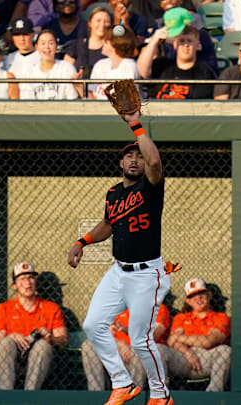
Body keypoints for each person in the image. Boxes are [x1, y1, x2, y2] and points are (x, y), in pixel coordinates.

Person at [66, 105, 174, 405]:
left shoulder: (150, 187)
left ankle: (161, 394)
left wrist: (135, 124)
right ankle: (122, 383)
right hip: (118, 271)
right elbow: (107, 224)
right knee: (93, 325)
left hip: (145, 274)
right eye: (130, 155)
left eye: (138, 155)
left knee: (140, 340)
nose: (136, 159)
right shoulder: (113, 193)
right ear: (121, 162)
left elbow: (154, 159)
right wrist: (82, 241)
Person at [0, 262, 68, 390]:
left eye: (31, 278)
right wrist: (12, 337)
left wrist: (50, 338)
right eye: (22, 279)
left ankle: (30, 396)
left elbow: (64, 339)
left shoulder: (51, 308)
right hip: (13, 359)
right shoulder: (4, 308)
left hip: (40, 360)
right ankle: (4, 396)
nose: (28, 283)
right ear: (14, 285)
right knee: (5, 343)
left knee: (42, 345)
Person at [157, 278, 231, 392]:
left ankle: (213, 393)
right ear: (188, 300)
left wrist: (180, 338)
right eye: (193, 295)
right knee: (158, 349)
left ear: (209, 295)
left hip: (207, 358)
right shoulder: (181, 318)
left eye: (201, 293)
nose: (198, 298)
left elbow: (209, 342)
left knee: (225, 350)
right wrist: (188, 352)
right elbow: (171, 341)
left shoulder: (221, 317)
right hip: (183, 357)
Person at [81, 304, 171, 390]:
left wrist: (128, 332)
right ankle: (96, 394)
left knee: (137, 350)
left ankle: (133, 395)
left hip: (142, 358)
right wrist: (120, 345)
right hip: (117, 352)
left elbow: (155, 334)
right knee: (88, 345)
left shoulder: (158, 308)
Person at [137, 24, 216, 99]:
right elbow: (142, 71)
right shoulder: (162, 65)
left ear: (198, 45)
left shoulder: (204, 72)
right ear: (175, 45)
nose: (186, 45)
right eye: (181, 41)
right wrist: (154, 41)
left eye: (189, 41)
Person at [152, 6, 218, 80]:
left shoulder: (201, 36)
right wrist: (153, 43)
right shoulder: (163, 37)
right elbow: (144, 71)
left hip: (199, 78)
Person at [21, 30, 81, 99]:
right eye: (43, 43)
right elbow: (27, 103)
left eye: (51, 43)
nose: (47, 47)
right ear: (37, 47)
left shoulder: (66, 67)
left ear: (56, 46)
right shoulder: (29, 73)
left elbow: (72, 99)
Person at [89, 27, 140, 98]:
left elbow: (128, 102)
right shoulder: (100, 64)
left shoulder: (129, 66)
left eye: (105, 40)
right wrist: (78, 85)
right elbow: (91, 98)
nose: (102, 42)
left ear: (114, 44)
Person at [64, 6, 112, 78]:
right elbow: (65, 75)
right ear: (90, 23)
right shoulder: (75, 46)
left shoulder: (113, 48)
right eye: (98, 21)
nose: (102, 24)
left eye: (106, 21)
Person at [2, 17, 42, 96]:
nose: (21, 38)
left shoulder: (42, 56)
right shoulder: (9, 58)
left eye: (25, 34)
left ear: (33, 35)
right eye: (17, 34)